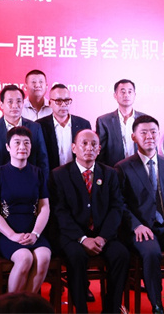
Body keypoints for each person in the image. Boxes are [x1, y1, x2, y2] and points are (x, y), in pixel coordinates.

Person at [115, 115, 164, 311]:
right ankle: (157, 307)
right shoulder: (122, 168)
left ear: (159, 135)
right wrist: (136, 225)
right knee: (151, 254)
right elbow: (119, 204)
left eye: (153, 132)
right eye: (144, 133)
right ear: (134, 137)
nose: (149, 136)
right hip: (140, 229)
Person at [49, 129, 128, 313]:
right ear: (74, 148)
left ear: (99, 149)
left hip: (103, 235)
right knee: (76, 256)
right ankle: (81, 309)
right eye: (84, 143)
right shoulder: (59, 175)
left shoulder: (110, 174)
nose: (89, 148)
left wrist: (102, 237)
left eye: (93, 144)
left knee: (121, 255)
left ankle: (111, 309)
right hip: (72, 236)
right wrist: (83, 239)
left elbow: (116, 208)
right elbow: (60, 212)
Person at [0, 126, 52, 294]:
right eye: (17, 143)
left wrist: (35, 233)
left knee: (44, 257)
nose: (22, 147)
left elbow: (44, 207)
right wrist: (12, 235)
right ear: (8, 147)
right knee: (24, 258)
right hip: (7, 234)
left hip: (33, 232)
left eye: (26, 143)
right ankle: (11, 304)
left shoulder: (38, 173)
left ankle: (27, 304)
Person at [0, 84, 49, 186]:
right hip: (1, 186)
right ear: (1, 104)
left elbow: (43, 161)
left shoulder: (35, 128)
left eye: (18, 101)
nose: (15, 106)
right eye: (10, 102)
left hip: (30, 184)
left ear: (23, 103)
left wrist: (43, 186)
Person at [37, 84, 91, 171]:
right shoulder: (39, 126)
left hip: (77, 175)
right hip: (50, 175)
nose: (63, 105)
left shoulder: (83, 124)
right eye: (58, 101)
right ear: (50, 103)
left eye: (66, 100)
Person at [95, 79, 147, 167]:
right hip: (114, 170)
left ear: (134, 95)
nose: (126, 95)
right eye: (123, 92)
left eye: (130, 92)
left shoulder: (145, 119)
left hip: (139, 169)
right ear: (115, 95)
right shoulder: (104, 121)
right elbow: (101, 154)